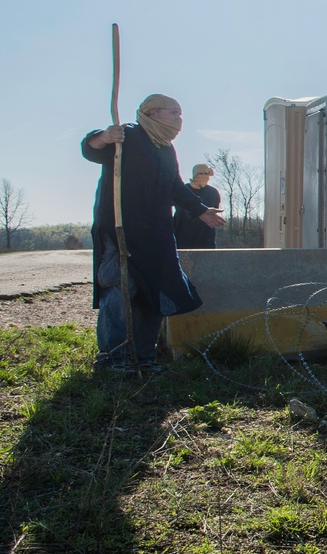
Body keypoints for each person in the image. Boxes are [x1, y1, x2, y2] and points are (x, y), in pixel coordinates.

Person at [83, 94, 226, 372]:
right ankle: (113, 358)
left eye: (180, 114)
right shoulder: (128, 135)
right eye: (173, 113)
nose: (179, 119)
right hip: (119, 228)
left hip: (156, 233)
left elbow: (174, 186)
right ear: (152, 113)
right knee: (122, 287)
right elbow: (92, 150)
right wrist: (103, 137)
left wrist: (200, 210)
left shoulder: (165, 148)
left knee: (154, 291)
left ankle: (144, 357)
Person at [174, 163, 222, 249]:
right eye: (200, 173)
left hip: (206, 240)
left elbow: (214, 213)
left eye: (206, 173)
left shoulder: (213, 192)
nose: (203, 176)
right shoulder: (182, 191)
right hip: (182, 238)